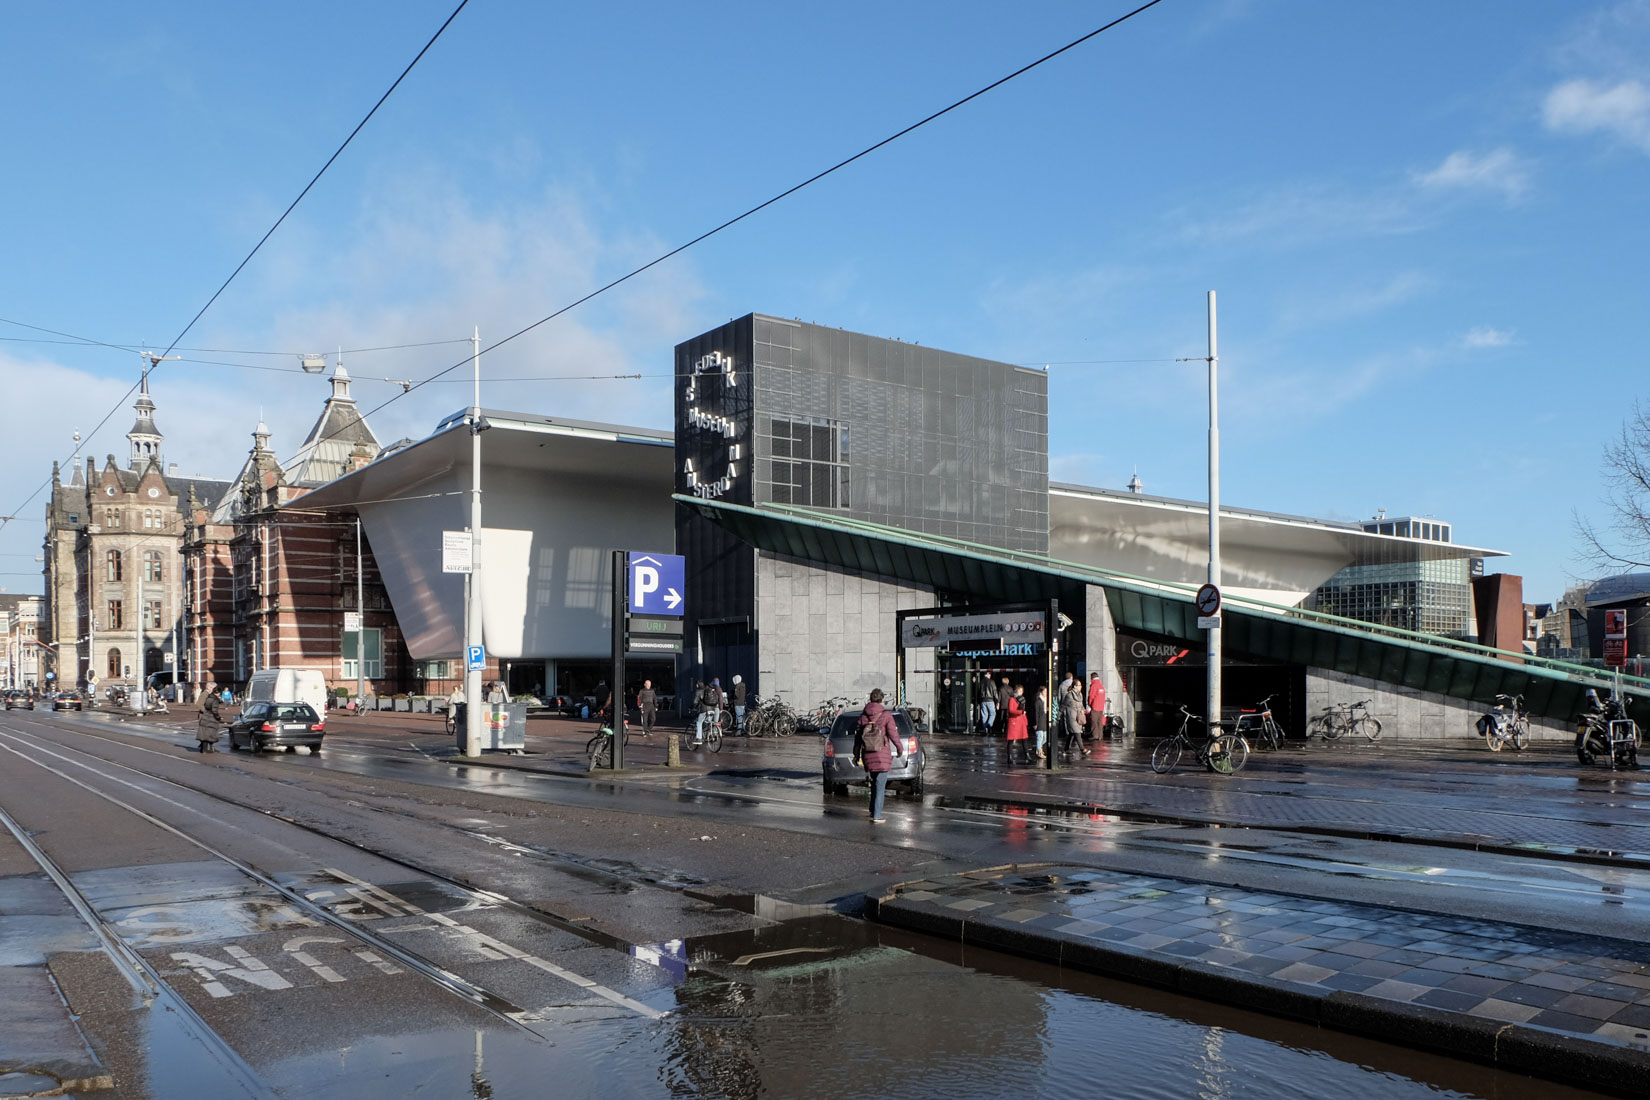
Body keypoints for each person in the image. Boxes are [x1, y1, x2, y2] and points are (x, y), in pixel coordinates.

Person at [852, 688, 904, 823]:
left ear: (870, 699)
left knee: (876, 782)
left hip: (868, 754)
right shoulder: (886, 715)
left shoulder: (863, 716)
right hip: (882, 755)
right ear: (881, 700)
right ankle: (877, 815)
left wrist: (856, 754)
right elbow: (893, 734)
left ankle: (872, 810)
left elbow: (858, 737)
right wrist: (899, 748)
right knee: (880, 785)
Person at [1059, 671, 1088, 758]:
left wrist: (1084, 710)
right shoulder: (1069, 695)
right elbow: (1063, 706)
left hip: (1078, 716)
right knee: (1077, 732)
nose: (1081, 687)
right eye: (1079, 685)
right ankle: (1082, 749)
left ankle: (1066, 749)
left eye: (1081, 685)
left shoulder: (1080, 695)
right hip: (1071, 716)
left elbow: (1081, 705)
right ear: (1075, 686)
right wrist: (1058, 715)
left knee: (1072, 733)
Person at [197, 681, 225, 754]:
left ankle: (210, 748)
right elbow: (199, 704)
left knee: (210, 732)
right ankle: (205, 748)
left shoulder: (210, 695)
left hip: (208, 716)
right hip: (205, 716)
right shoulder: (204, 694)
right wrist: (206, 712)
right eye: (213, 688)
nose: (214, 689)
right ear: (209, 687)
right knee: (206, 732)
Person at [1004, 685, 1029, 764]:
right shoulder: (1012, 699)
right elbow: (1011, 710)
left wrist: (1026, 721)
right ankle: (1009, 757)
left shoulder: (1022, 699)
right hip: (1014, 721)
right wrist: (1020, 712)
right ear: (1016, 691)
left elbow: (1024, 711)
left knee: (1024, 739)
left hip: (1021, 721)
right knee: (1011, 740)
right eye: (1020, 691)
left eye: (1022, 691)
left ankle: (1027, 755)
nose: (1022, 692)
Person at [1030, 684, 1050, 761]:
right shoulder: (1038, 701)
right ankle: (1039, 751)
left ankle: (1038, 747)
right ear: (1041, 692)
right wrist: (1035, 723)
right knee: (1040, 737)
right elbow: (1036, 713)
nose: (1046, 693)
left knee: (1044, 737)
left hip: (1043, 720)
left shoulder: (1044, 701)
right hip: (1039, 721)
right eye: (1045, 691)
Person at [1087, 672, 1108, 740]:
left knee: (1094, 721)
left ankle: (1095, 735)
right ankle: (1100, 735)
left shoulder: (1094, 685)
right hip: (1101, 707)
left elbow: (1091, 696)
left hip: (1095, 706)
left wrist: (1090, 704)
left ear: (1092, 678)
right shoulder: (1101, 686)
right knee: (1100, 722)